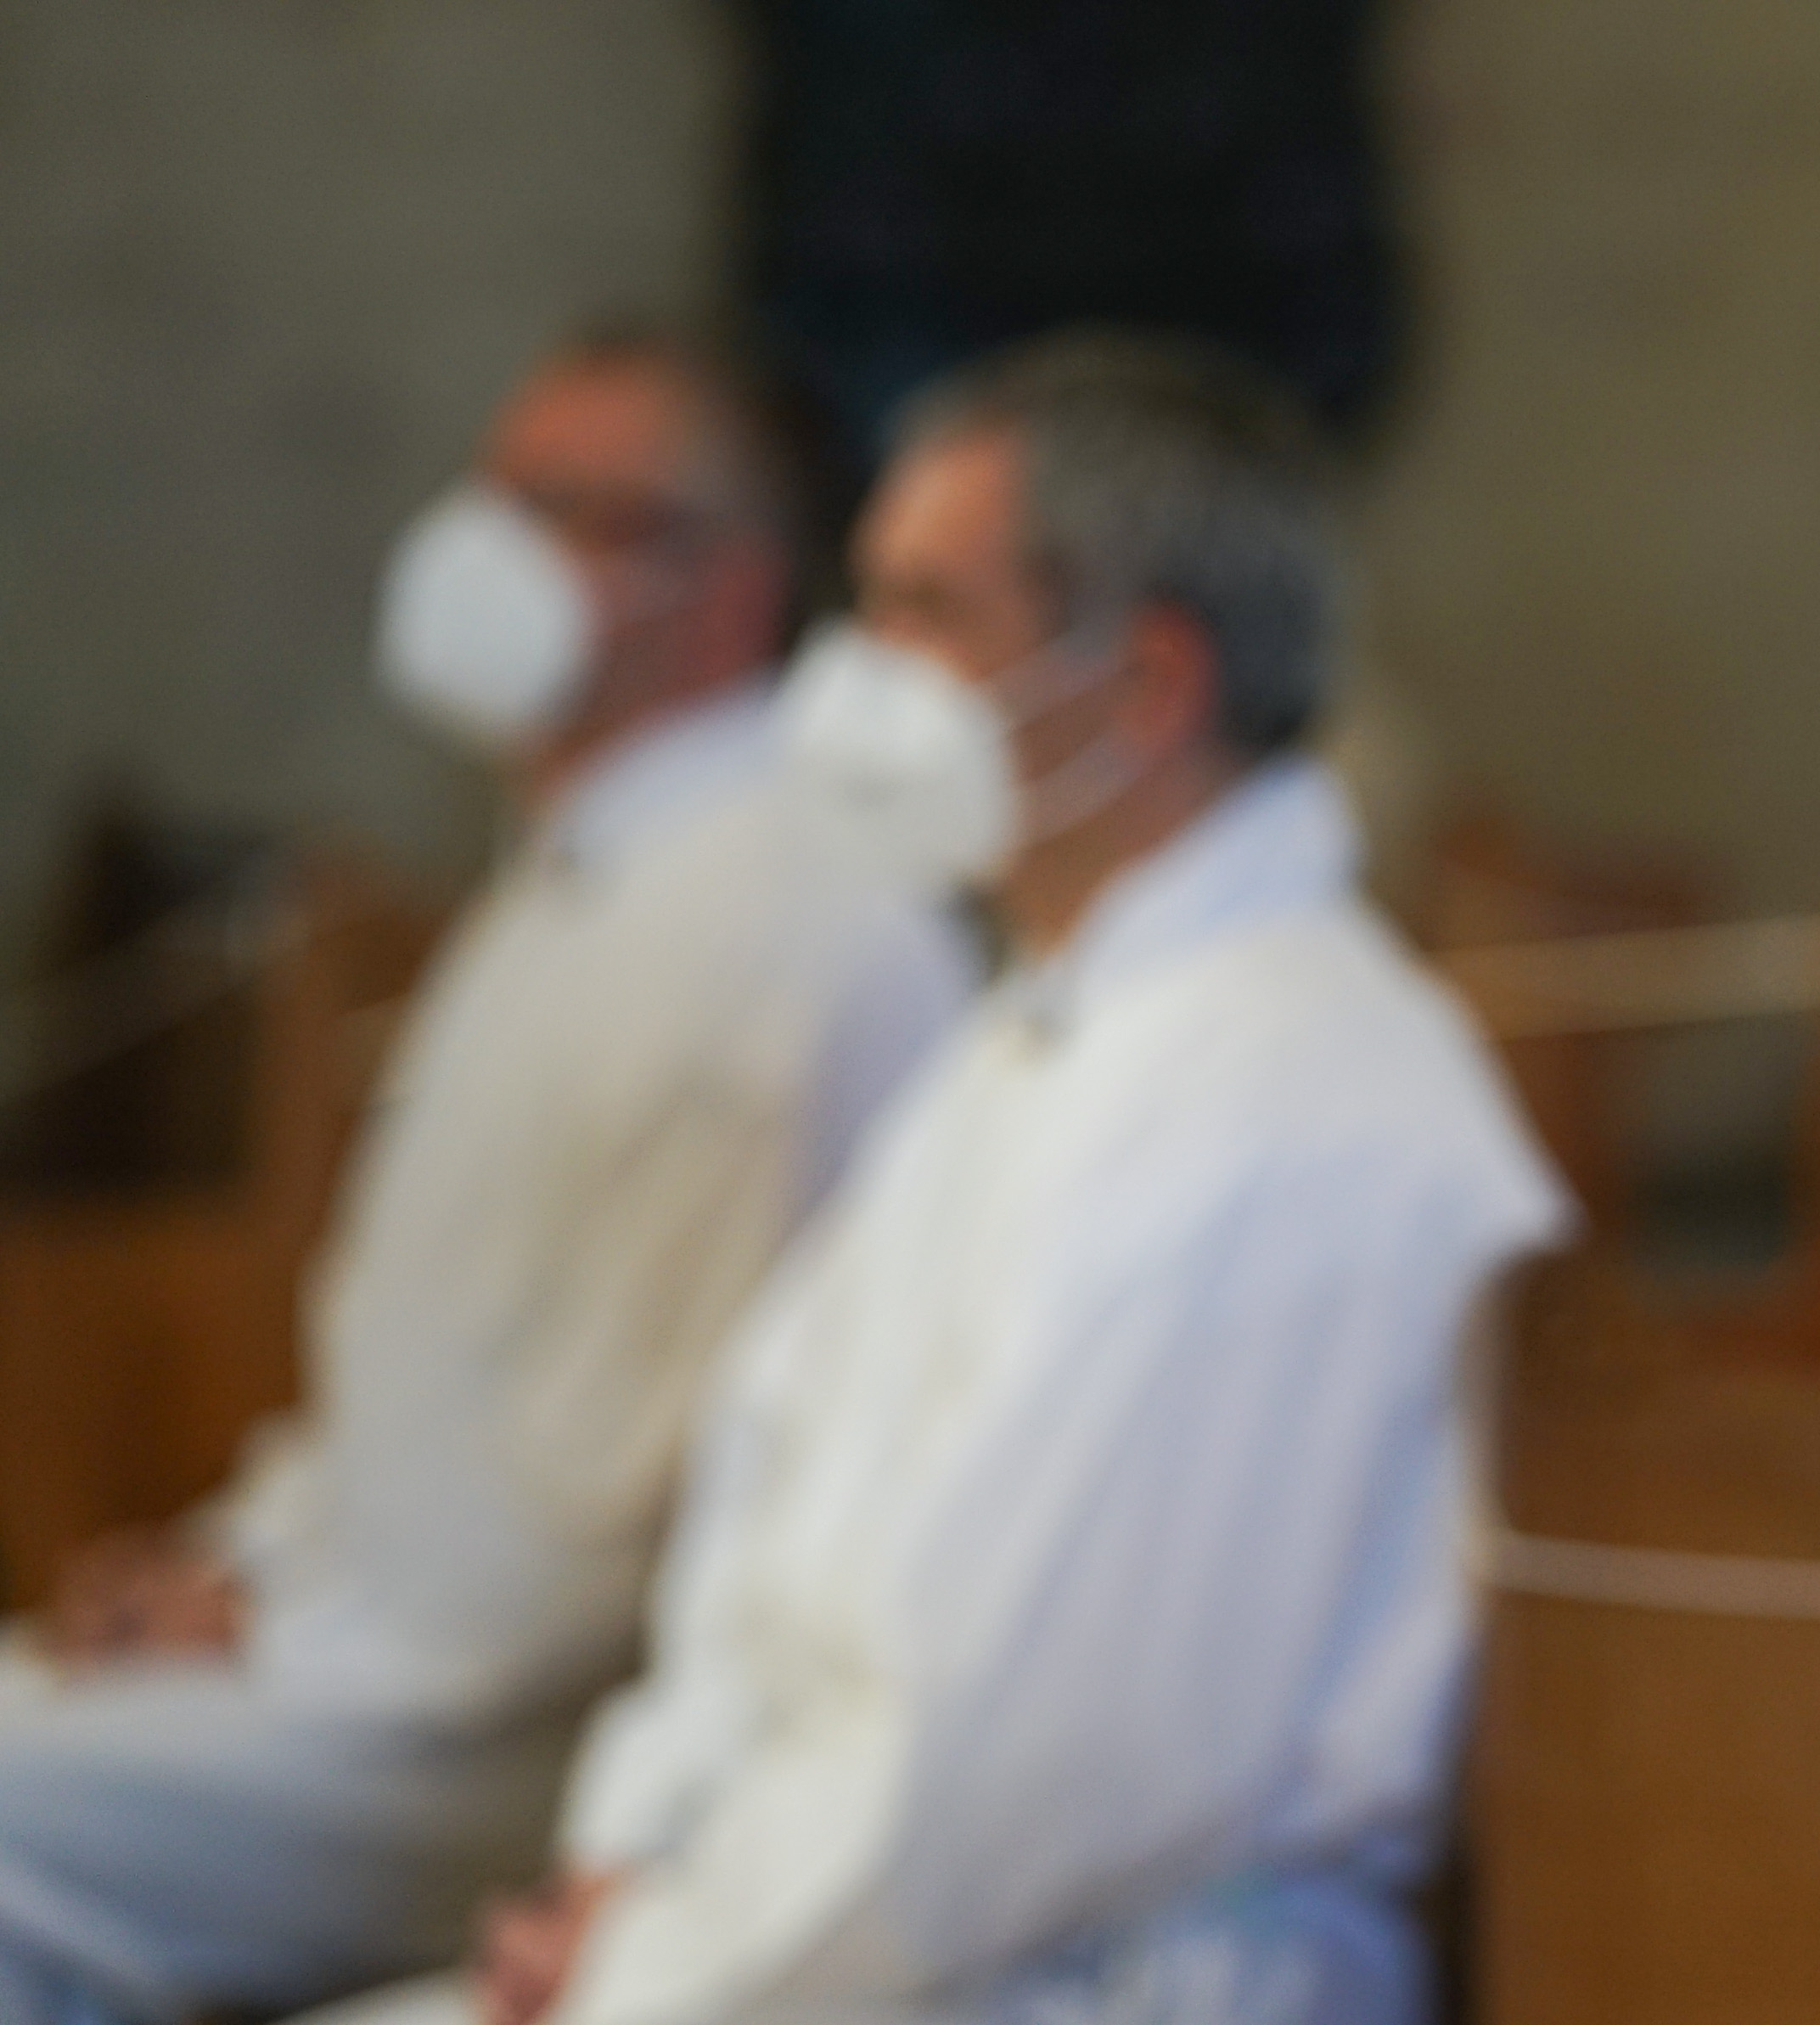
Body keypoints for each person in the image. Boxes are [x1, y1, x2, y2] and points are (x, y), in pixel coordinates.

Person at [303, 330, 1569, 2025]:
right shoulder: (1051, 1026)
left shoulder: (1287, 1103)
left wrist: (650, 1962)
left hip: (1076, 1976)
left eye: (925, 610)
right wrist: (637, 1857)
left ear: (1146, 685)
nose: (855, 669)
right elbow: (764, 1516)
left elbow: (1013, 1763)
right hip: (799, 1937)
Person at [0, 332, 975, 2025]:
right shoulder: (579, 871)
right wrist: (247, 1559)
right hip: (372, 1645)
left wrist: (293, 1628)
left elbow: (650, 1491)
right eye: (494, 492)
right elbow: (425, 1379)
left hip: (512, 1733)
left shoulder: (795, 921)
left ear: (729, 588)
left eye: (562, 508)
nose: (485, 549)